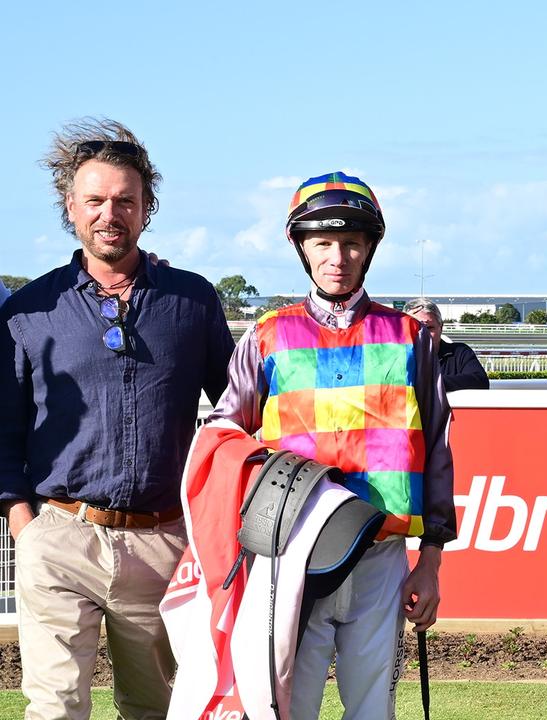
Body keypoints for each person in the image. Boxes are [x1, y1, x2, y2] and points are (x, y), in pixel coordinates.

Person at [0, 119, 234, 719]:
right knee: (54, 708)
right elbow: (4, 430)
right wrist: (26, 525)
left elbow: (241, 410)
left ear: (146, 206)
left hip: (163, 543)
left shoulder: (193, 301)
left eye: (126, 201)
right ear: (70, 208)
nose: (112, 214)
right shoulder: (29, 311)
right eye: (96, 200)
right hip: (59, 535)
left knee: (155, 707)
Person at [209, 172, 455, 718]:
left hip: (382, 559)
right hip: (293, 556)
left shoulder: (413, 337)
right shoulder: (267, 336)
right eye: (322, 243)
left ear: (369, 248)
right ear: (302, 248)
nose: (337, 257)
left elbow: (437, 448)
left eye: (350, 243)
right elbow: (226, 441)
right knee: (288, 709)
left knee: (373, 711)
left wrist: (431, 561)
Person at [404, 297, 490, 391]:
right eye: (415, 328)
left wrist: (430, 383)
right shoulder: (395, 356)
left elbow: (481, 381)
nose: (423, 334)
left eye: (429, 328)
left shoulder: (459, 353)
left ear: (441, 328)